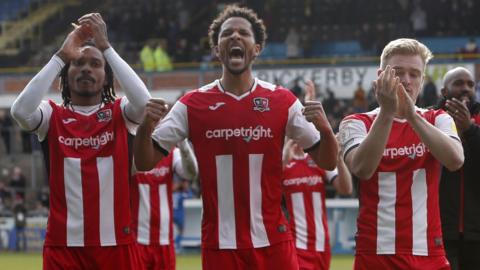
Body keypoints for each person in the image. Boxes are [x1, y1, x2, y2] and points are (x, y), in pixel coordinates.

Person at [133, 5, 338, 270]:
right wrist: (145, 127)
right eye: (227, 33)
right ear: (217, 50)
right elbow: (144, 161)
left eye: (244, 33)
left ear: (257, 48)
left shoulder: (283, 101)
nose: (235, 37)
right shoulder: (191, 104)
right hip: (220, 246)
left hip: (273, 244)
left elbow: (328, 160)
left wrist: (325, 129)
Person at [10, 13, 150, 270]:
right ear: (65, 75)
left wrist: (106, 48)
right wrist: (61, 56)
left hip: (116, 245)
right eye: (78, 62)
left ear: (106, 77)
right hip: (63, 248)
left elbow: (144, 102)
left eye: (96, 64)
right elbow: (20, 112)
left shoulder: (120, 113)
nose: (86, 67)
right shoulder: (52, 115)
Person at [338, 38, 464, 269]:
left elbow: (455, 160)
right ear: (381, 76)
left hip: (428, 253)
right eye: (398, 72)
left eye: (414, 74)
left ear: (422, 80)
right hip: (375, 253)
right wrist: (388, 112)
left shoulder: (438, 118)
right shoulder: (355, 122)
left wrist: (412, 116)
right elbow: (362, 169)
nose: (406, 80)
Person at [282, 81, 352, 270]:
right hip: (293, 245)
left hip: (321, 245)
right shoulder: (284, 161)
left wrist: (337, 157)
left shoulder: (318, 160)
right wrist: (283, 156)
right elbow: (264, 191)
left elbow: (345, 188)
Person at [437, 67, 480, 270]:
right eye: (459, 83)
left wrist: (470, 130)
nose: (466, 88)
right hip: (440, 231)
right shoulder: (429, 121)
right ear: (444, 92)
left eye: (470, 84)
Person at [132, 139, 198, 270]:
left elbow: (191, 174)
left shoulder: (172, 153)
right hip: (136, 240)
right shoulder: (132, 152)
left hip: (164, 241)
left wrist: (183, 144)